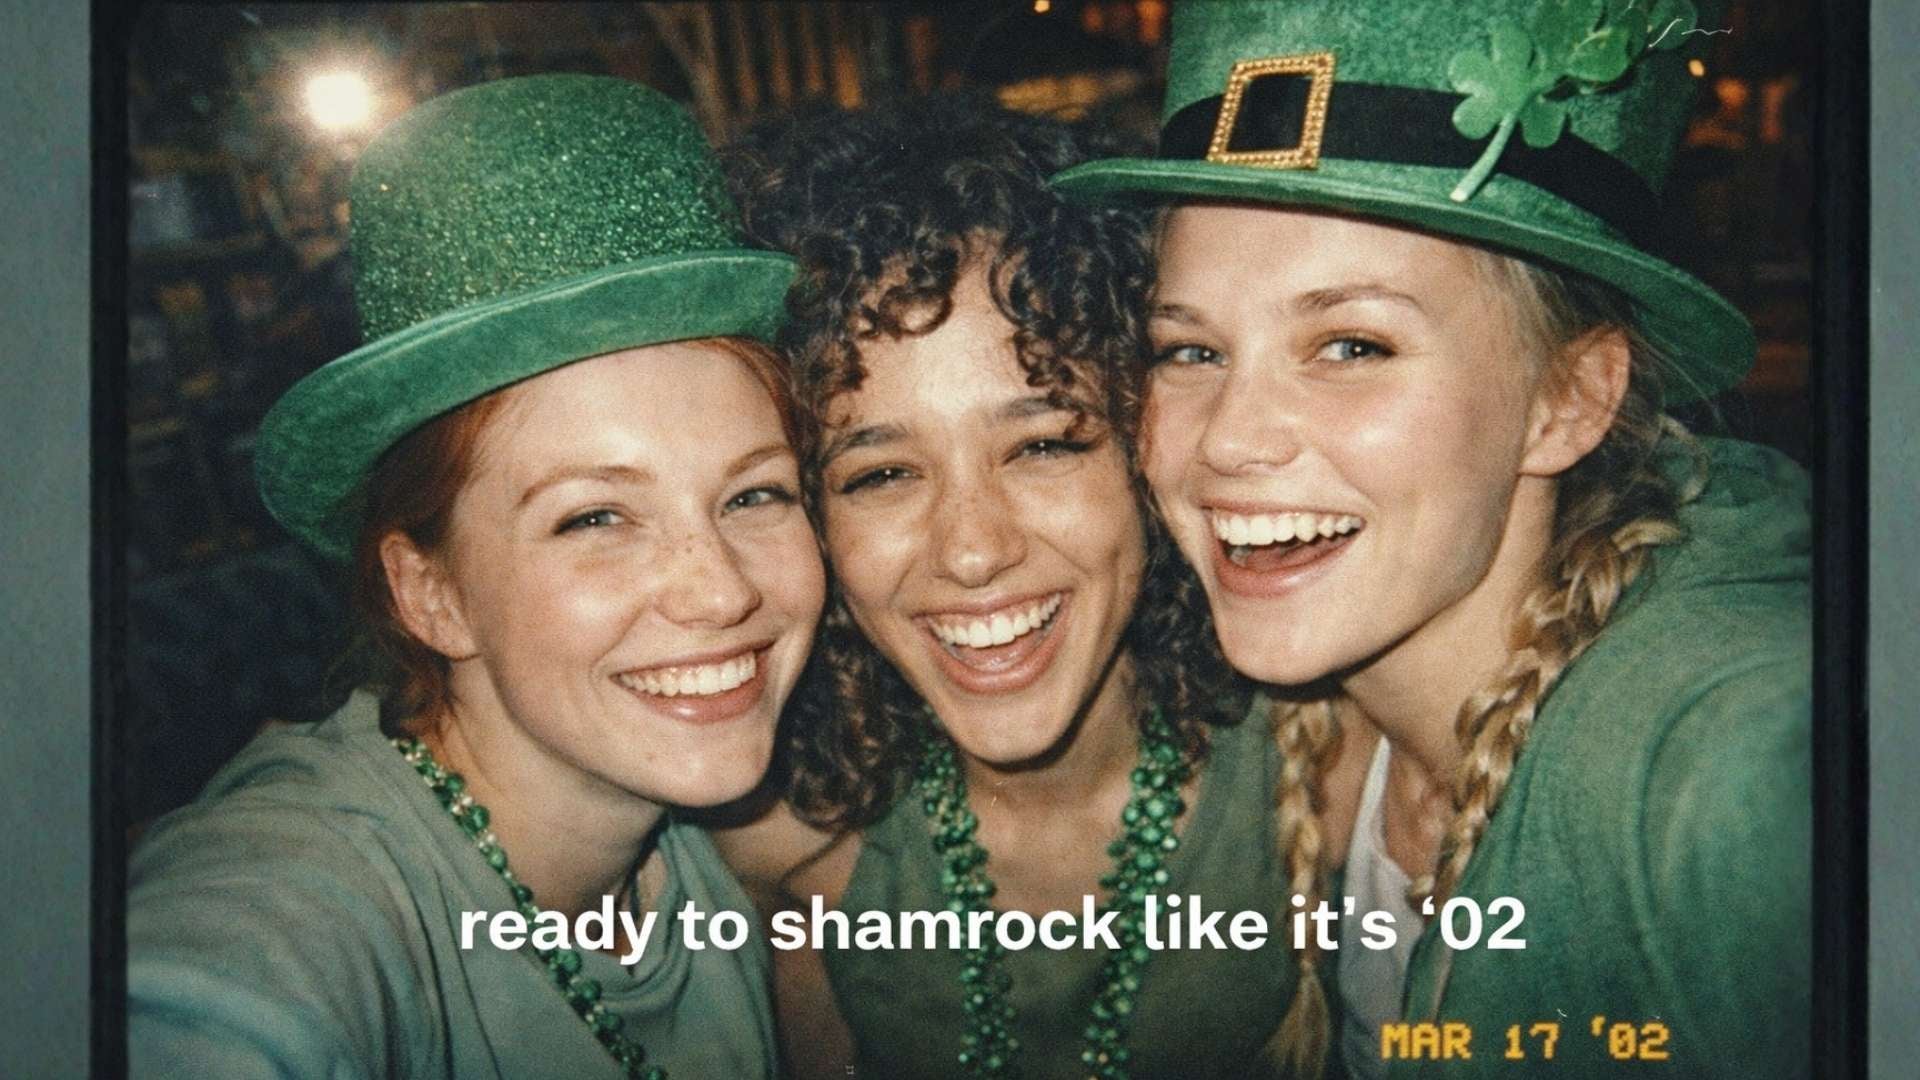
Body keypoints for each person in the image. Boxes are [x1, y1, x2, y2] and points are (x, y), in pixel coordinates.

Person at [1054, 2, 1811, 1077]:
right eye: (1188, 352)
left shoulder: (1725, 776)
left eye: (1351, 343)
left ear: (1569, 398)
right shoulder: (1296, 727)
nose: (1227, 440)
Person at [127, 75, 824, 1080]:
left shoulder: (708, 850)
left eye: (756, 495)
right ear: (429, 594)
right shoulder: (318, 896)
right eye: (594, 517)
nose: (720, 592)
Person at [707, 94, 1299, 1080]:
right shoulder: (784, 857)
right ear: (811, 524)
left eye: (1042, 445)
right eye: (880, 475)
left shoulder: (1328, 792)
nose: (973, 552)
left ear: (1147, 451)